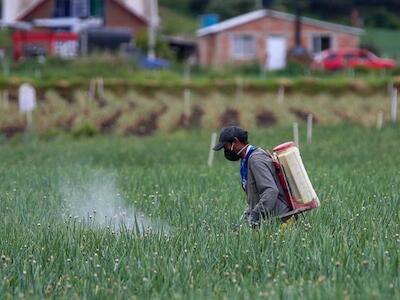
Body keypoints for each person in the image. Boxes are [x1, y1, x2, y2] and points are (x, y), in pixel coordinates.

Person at [213, 126, 291, 227]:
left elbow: (271, 191)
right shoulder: (246, 159)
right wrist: (245, 218)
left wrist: (256, 214)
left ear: (235, 141)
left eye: (226, 146)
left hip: (282, 219)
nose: (226, 150)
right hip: (273, 218)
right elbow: (256, 197)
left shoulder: (256, 159)